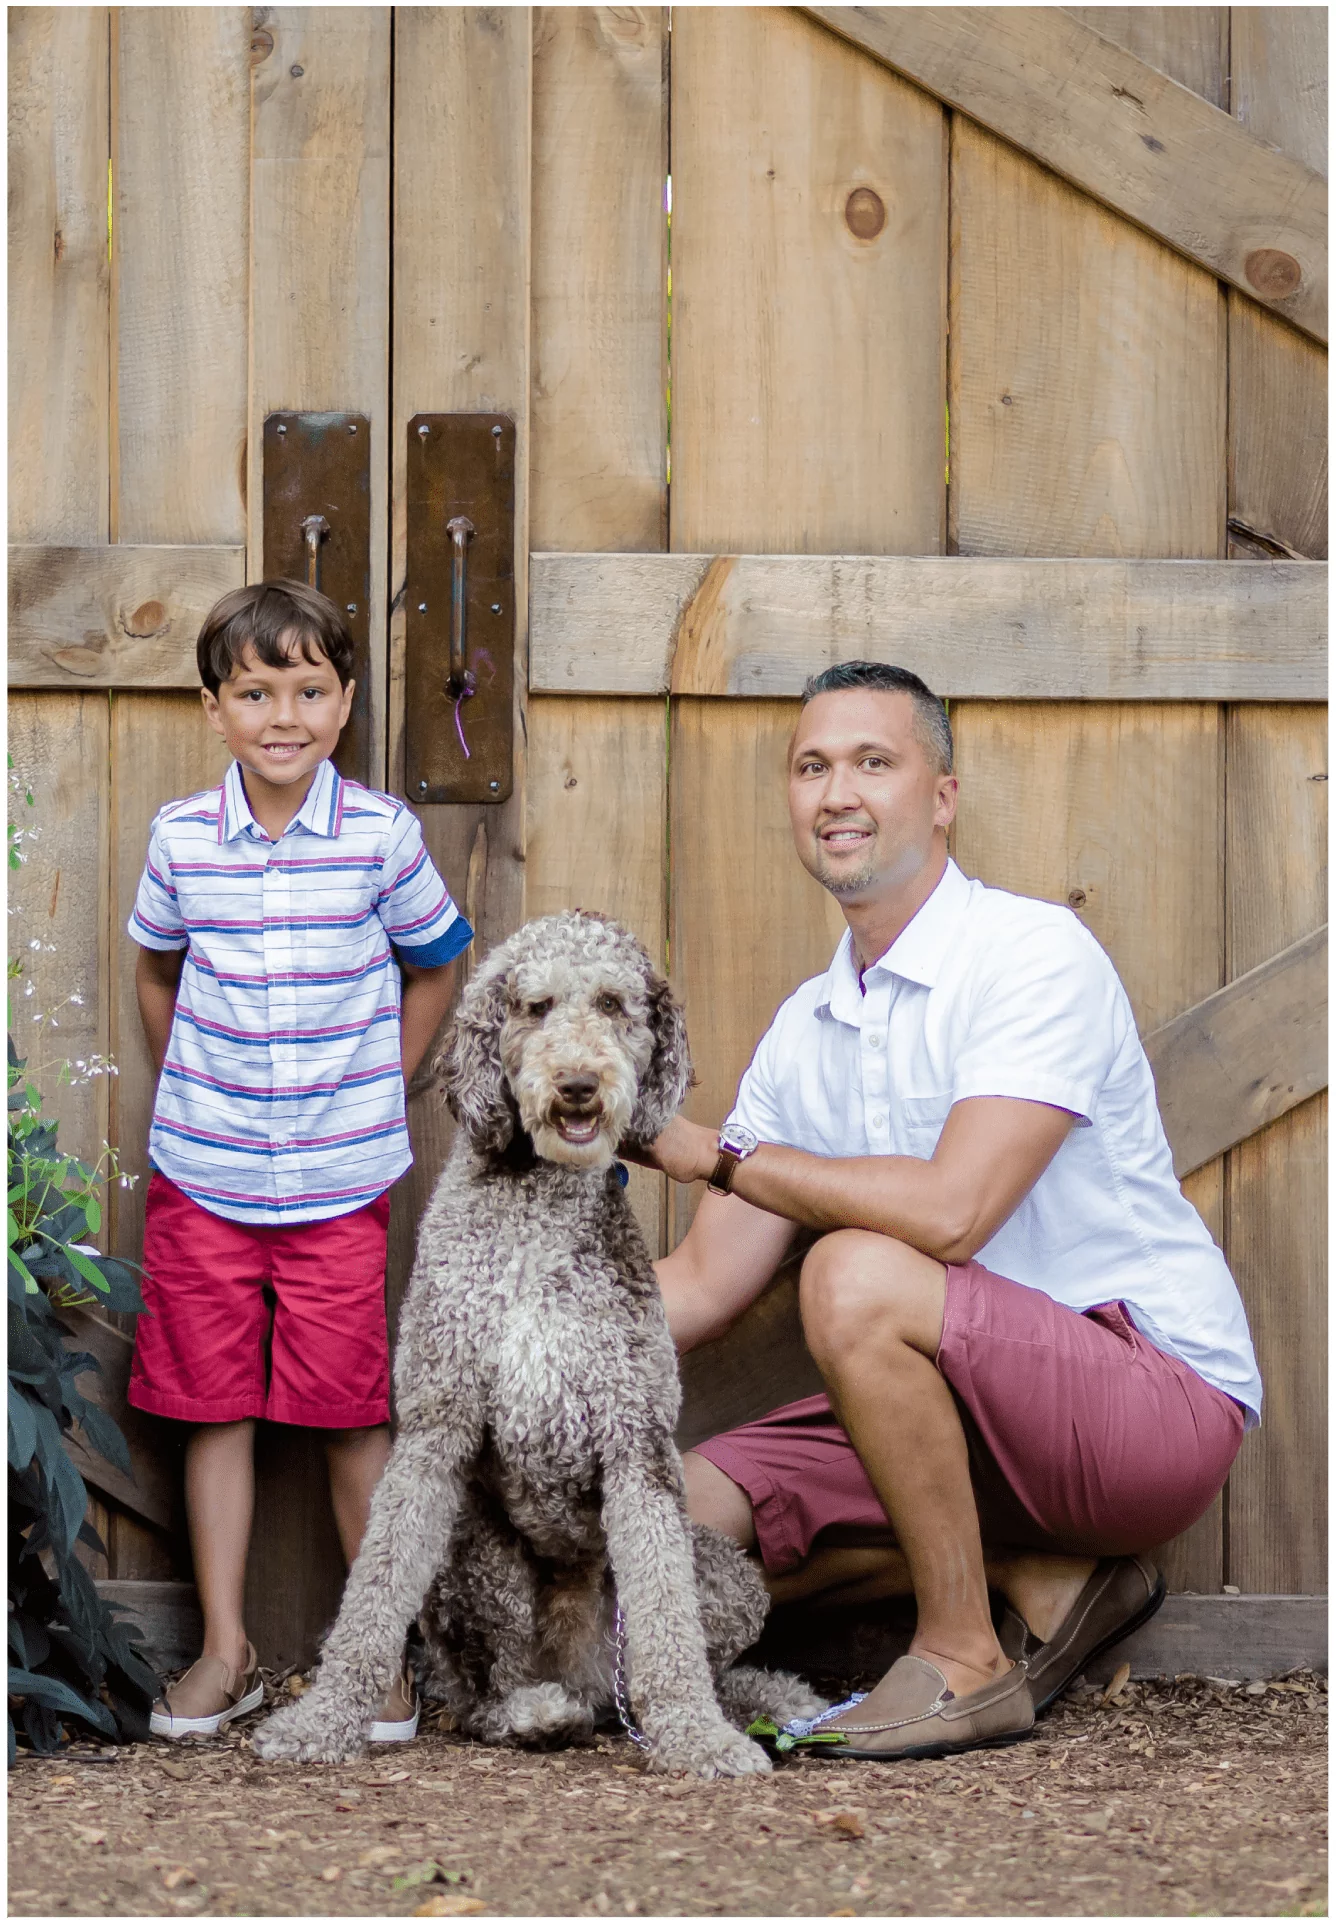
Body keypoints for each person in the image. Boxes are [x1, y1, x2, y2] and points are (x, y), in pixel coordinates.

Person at [642, 661, 1260, 1761]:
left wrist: (719, 1157)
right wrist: (501, 1365)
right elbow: (697, 1285)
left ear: (941, 796)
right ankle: (1040, 1572)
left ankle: (965, 1656)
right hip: (957, 1418)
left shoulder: (1030, 955)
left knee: (855, 1272)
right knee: (667, 1516)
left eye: (874, 763)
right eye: (812, 767)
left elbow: (954, 1214)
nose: (838, 793)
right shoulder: (806, 1028)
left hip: (1146, 1396)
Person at [126, 580, 472, 1742]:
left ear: (346, 701)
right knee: (210, 1410)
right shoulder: (183, 839)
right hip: (205, 1178)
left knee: (346, 1414)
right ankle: (227, 1648)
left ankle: (375, 1658)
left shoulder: (380, 837)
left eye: (310, 689)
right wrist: (195, 1080)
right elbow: (156, 971)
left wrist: (388, 1081)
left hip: (338, 1184)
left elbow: (436, 963)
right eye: (255, 692)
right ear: (214, 709)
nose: (284, 715)